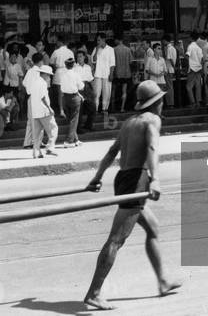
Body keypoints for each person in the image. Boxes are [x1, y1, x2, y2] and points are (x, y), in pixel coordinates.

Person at [83, 80, 181, 310]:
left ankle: (163, 282)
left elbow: (111, 152)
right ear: (156, 102)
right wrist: (155, 178)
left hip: (124, 178)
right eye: (161, 100)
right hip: (137, 180)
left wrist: (97, 177)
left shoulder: (129, 123)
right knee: (116, 239)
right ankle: (94, 292)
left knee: (152, 229)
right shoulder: (153, 120)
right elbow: (152, 148)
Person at [29, 65, 58, 159]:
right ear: (44, 74)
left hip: (35, 111)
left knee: (37, 134)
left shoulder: (34, 82)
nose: (49, 77)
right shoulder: (43, 83)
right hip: (43, 110)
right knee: (53, 128)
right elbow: (43, 97)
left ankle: (36, 152)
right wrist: (49, 108)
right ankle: (50, 147)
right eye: (48, 75)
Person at [60, 55, 86, 146]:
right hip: (74, 97)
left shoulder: (62, 75)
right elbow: (82, 87)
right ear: (74, 64)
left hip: (65, 98)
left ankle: (75, 139)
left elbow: (61, 88)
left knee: (71, 119)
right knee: (74, 120)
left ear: (66, 65)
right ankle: (69, 141)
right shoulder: (75, 75)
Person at [91, 33, 116, 119]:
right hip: (97, 74)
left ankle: (104, 109)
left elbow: (112, 63)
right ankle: (96, 110)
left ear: (103, 39)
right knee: (96, 93)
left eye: (99, 40)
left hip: (107, 74)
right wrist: (97, 49)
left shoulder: (110, 49)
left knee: (107, 92)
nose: (98, 42)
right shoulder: (95, 49)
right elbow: (93, 61)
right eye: (97, 40)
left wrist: (111, 74)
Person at [113, 36, 133, 112]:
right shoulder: (128, 49)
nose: (114, 41)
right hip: (126, 73)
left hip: (116, 73)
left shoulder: (114, 49)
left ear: (118, 40)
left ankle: (113, 107)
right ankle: (122, 108)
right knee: (124, 91)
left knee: (114, 91)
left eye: (115, 39)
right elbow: (131, 61)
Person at [185, 31, 204, 107]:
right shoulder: (198, 47)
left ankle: (193, 102)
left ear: (191, 38)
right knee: (198, 86)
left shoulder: (190, 46)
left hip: (192, 68)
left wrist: (181, 52)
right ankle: (198, 102)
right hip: (199, 68)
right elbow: (202, 59)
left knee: (189, 87)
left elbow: (187, 56)